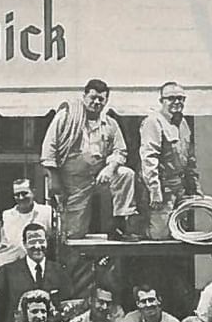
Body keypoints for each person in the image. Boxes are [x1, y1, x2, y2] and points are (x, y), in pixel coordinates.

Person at [40, 78, 139, 241]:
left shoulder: (110, 124)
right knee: (73, 233)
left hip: (100, 176)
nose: (97, 102)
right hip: (74, 182)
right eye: (93, 97)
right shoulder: (67, 117)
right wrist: (54, 179)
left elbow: (120, 151)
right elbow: (49, 147)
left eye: (101, 99)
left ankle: (120, 225)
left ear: (106, 101)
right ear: (84, 96)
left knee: (125, 174)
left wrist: (110, 167)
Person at [0, 222, 75, 322]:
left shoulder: (59, 271)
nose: (37, 246)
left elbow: (68, 304)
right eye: (32, 242)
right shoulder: (7, 272)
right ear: (24, 244)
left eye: (41, 241)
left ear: (47, 242)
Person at [139, 82, 199, 241]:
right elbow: (149, 157)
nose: (177, 102)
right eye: (171, 98)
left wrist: (195, 188)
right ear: (162, 101)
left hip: (181, 188)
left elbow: (190, 159)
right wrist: (154, 190)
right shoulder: (153, 122)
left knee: (180, 235)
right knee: (159, 235)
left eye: (181, 98)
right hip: (163, 188)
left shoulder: (184, 124)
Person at [1, 178, 53, 249]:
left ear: (33, 192)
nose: (21, 198)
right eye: (17, 194)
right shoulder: (7, 216)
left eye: (24, 193)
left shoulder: (46, 212)